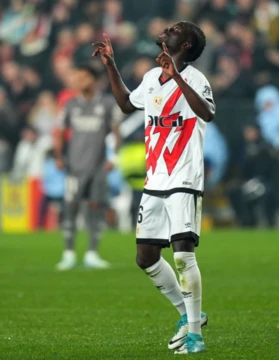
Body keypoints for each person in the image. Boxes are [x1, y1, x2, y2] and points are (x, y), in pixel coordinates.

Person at [92, 21, 215, 354]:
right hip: (156, 179)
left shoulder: (195, 79)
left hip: (184, 179)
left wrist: (176, 76)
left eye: (174, 29)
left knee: (183, 254)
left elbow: (206, 114)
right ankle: (191, 315)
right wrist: (112, 67)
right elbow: (127, 105)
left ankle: (194, 336)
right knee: (145, 258)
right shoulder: (150, 77)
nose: (166, 30)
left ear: (186, 44)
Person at [54, 66, 121, 271]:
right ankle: (69, 254)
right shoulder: (69, 105)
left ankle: (92, 253)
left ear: (93, 79)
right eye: (77, 77)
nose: (78, 81)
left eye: (83, 77)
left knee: (96, 208)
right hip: (75, 167)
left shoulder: (108, 103)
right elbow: (59, 132)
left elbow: (117, 133)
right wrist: (59, 156)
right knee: (70, 209)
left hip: (99, 166)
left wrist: (113, 156)